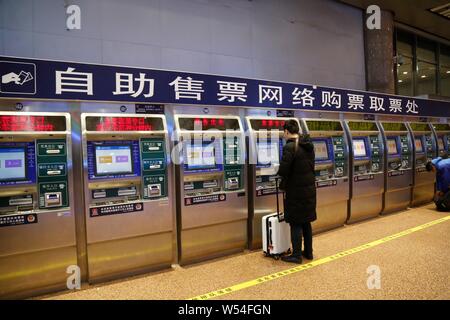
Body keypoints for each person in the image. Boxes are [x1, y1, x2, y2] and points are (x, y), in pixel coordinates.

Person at [277, 120, 317, 264]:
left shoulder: (289, 147)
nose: (284, 134)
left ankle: (296, 255)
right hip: (309, 189)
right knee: (306, 221)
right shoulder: (308, 145)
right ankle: (309, 252)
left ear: (287, 131)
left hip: (296, 191)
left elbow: (283, 170)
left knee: (295, 222)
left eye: (284, 132)